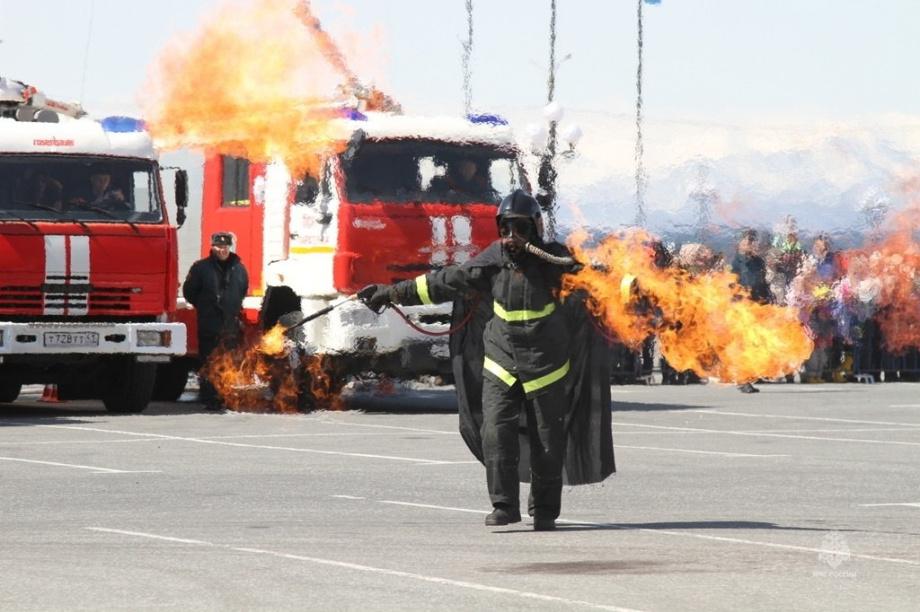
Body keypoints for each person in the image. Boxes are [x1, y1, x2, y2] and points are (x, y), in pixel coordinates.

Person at [358, 189, 614, 531]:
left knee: (548, 440)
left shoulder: (557, 261)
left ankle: (545, 511)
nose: (512, 238)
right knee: (495, 431)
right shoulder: (492, 259)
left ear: (535, 228)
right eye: (506, 229)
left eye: (520, 229)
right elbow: (445, 281)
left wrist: (633, 287)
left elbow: (599, 286)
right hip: (502, 360)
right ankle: (504, 506)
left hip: (546, 364)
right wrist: (391, 293)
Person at [182, 231, 250, 410]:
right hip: (209, 323)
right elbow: (189, 292)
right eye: (219, 246)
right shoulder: (200, 268)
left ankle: (225, 396)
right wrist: (205, 307)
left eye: (225, 246)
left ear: (230, 247)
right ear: (212, 247)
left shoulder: (239, 268)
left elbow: (243, 290)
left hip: (230, 324)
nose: (222, 250)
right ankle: (210, 397)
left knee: (228, 362)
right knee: (209, 361)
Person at [730, 228, 772, 393]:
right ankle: (743, 379)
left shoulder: (758, 262)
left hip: (758, 307)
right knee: (743, 344)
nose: (751, 243)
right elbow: (730, 286)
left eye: (753, 240)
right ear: (740, 242)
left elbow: (763, 284)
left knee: (755, 343)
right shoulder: (734, 263)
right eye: (748, 240)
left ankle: (752, 375)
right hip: (741, 309)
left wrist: (768, 303)